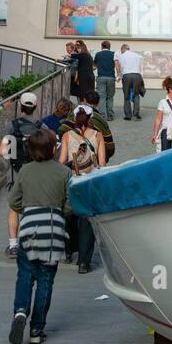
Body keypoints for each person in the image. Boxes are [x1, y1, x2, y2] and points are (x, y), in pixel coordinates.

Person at [8, 129, 70, 344]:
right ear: (54, 149)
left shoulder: (24, 171)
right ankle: (36, 329)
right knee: (45, 279)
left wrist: (26, 208)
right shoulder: (64, 172)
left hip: (28, 228)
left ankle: (21, 310)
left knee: (25, 274)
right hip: (52, 230)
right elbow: (70, 205)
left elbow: (13, 201)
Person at [59, 109, 106, 273]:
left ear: (74, 118)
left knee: (69, 217)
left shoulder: (66, 136)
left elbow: (62, 161)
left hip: (73, 182)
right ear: (90, 118)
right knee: (86, 222)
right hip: (90, 183)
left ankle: (68, 251)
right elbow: (101, 163)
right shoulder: (98, 136)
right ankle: (83, 262)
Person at [6, 92, 43, 257]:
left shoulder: (11, 125)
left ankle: (14, 245)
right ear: (35, 107)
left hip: (15, 173)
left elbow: (5, 151)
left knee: (14, 208)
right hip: (35, 173)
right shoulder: (42, 127)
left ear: (20, 106)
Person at [66, 90, 114, 163]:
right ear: (97, 103)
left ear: (84, 100)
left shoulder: (72, 115)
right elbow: (110, 147)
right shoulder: (101, 121)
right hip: (93, 161)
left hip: (71, 158)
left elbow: (61, 131)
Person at [117, 43, 144, 120]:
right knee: (136, 95)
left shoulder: (121, 56)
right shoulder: (137, 55)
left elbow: (121, 68)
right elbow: (140, 67)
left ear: (123, 49)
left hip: (127, 76)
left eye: (121, 50)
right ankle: (136, 113)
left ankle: (128, 115)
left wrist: (120, 77)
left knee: (126, 96)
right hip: (137, 75)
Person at [94, 40, 117, 119]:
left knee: (101, 97)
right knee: (110, 96)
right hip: (111, 77)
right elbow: (115, 64)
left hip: (101, 77)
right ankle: (110, 115)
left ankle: (102, 115)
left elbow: (95, 64)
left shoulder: (98, 54)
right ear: (109, 47)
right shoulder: (113, 54)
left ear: (102, 46)